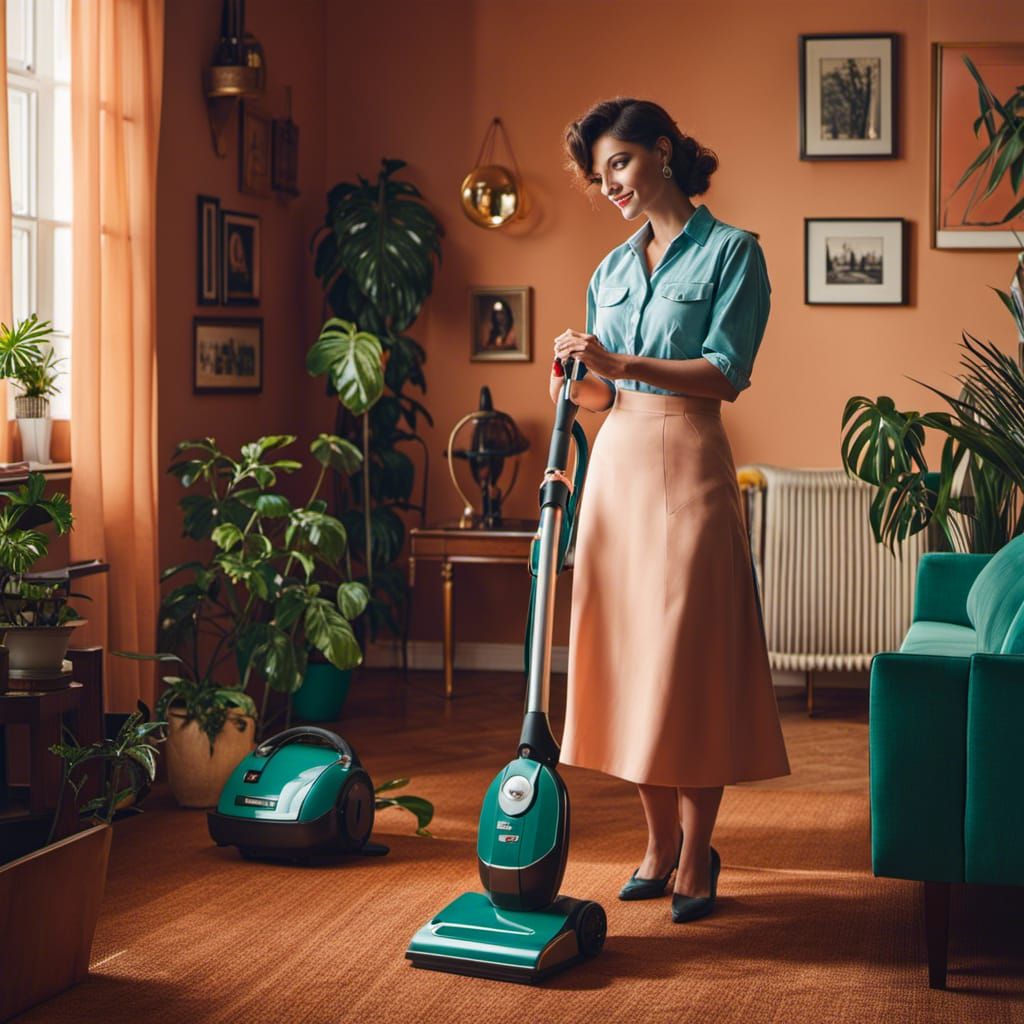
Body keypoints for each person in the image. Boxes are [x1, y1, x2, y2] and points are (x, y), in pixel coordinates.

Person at [552, 97, 790, 924]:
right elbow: (602, 395)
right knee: (628, 660)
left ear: (661, 152)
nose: (608, 181)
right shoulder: (610, 269)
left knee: (688, 662)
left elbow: (724, 372)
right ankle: (654, 844)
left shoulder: (735, 254)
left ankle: (697, 855)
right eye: (599, 171)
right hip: (616, 469)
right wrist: (579, 379)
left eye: (618, 162)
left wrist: (621, 359)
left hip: (690, 460)